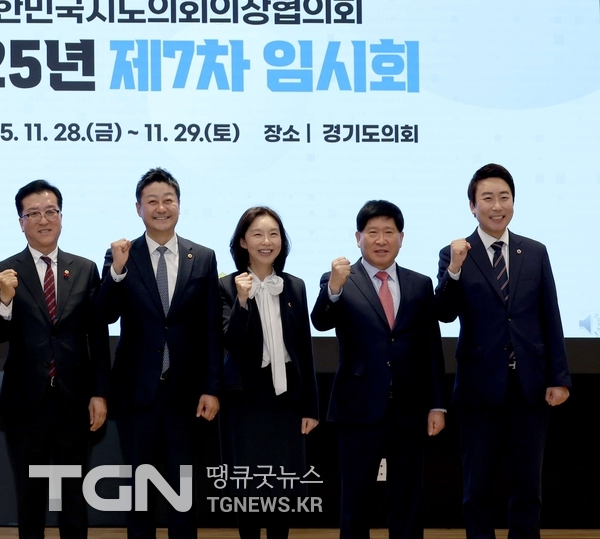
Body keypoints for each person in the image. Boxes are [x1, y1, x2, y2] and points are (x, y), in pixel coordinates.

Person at [434, 163, 571, 539]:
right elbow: (444, 312)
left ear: (513, 202)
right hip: (479, 387)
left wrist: (559, 377)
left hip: (530, 386)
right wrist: (455, 269)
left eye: (504, 197)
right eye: (487, 198)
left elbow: (550, 316)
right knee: (477, 486)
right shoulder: (455, 253)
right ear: (472, 206)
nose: (497, 206)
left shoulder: (535, 252)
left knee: (528, 485)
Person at [97, 167, 223, 539]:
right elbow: (103, 314)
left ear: (179, 205)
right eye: (151, 201)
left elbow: (212, 329)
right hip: (137, 393)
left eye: (168, 200)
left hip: (187, 394)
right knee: (139, 494)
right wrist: (117, 271)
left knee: (183, 495)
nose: (161, 208)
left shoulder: (202, 257)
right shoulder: (122, 255)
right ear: (139, 208)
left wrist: (212, 388)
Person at [311, 199, 446, 539]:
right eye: (372, 232)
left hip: (409, 407)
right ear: (358, 238)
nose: (381, 240)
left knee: (407, 499)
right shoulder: (340, 279)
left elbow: (431, 347)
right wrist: (334, 288)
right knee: (356, 500)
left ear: (402, 237)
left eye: (389, 232)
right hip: (358, 407)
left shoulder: (419, 284)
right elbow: (321, 321)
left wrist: (437, 404)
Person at [0, 180, 110, 539]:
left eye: (50, 211)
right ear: (21, 222)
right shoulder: (4, 271)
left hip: (74, 401)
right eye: (33, 214)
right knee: (30, 497)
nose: (43, 220)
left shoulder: (85, 268)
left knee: (73, 497)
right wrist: (5, 298)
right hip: (26, 403)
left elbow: (97, 337)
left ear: (61, 216)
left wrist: (100, 392)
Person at [218, 206, 319, 539]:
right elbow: (231, 341)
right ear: (242, 241)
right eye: (257, 234)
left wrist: (310, 407)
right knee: (248, 487)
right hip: (245, 398)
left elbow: (304, 350)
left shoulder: (295, 286)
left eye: (273, 234)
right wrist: (242, 301)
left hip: (286, 396)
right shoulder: (226, 286)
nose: (266, 242)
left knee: (282, 488)